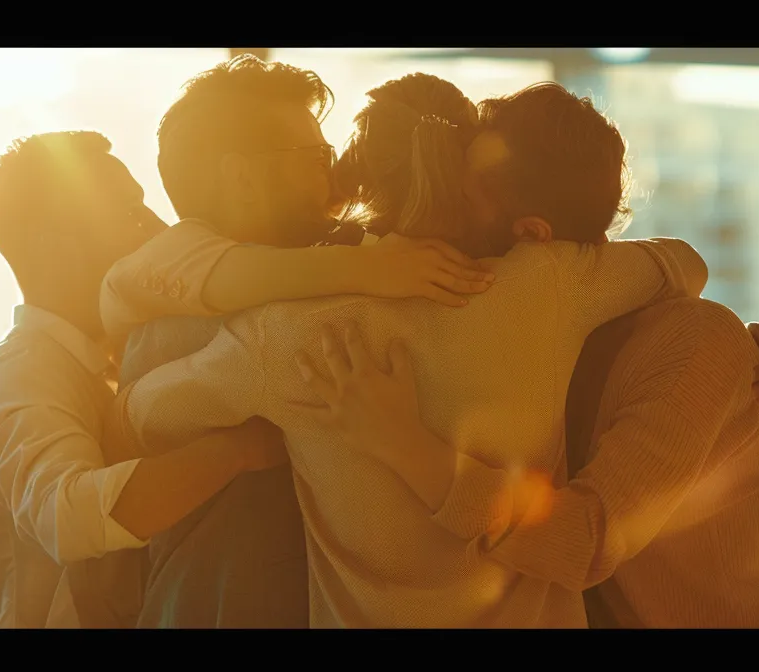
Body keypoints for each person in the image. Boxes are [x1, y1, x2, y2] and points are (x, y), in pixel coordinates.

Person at [108, 67, 724, 626]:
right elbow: (681, 263)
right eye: (312, 152)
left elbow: (138, 416)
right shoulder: (551, 285)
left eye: (328, 151)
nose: (328, 168)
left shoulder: (286, 336)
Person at [0, 128, 495, 628]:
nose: (156, 229)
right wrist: (239, 449)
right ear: (52, 247)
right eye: (130, 214)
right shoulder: (18, 377)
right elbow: (69, 516)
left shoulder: (112, 360)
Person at [296, 91, 759, 628]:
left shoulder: (693, 347)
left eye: (464, 195)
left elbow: (583, 542)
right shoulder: (528, 325)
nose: (439, 203)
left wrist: (407, 449)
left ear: (532, 233)